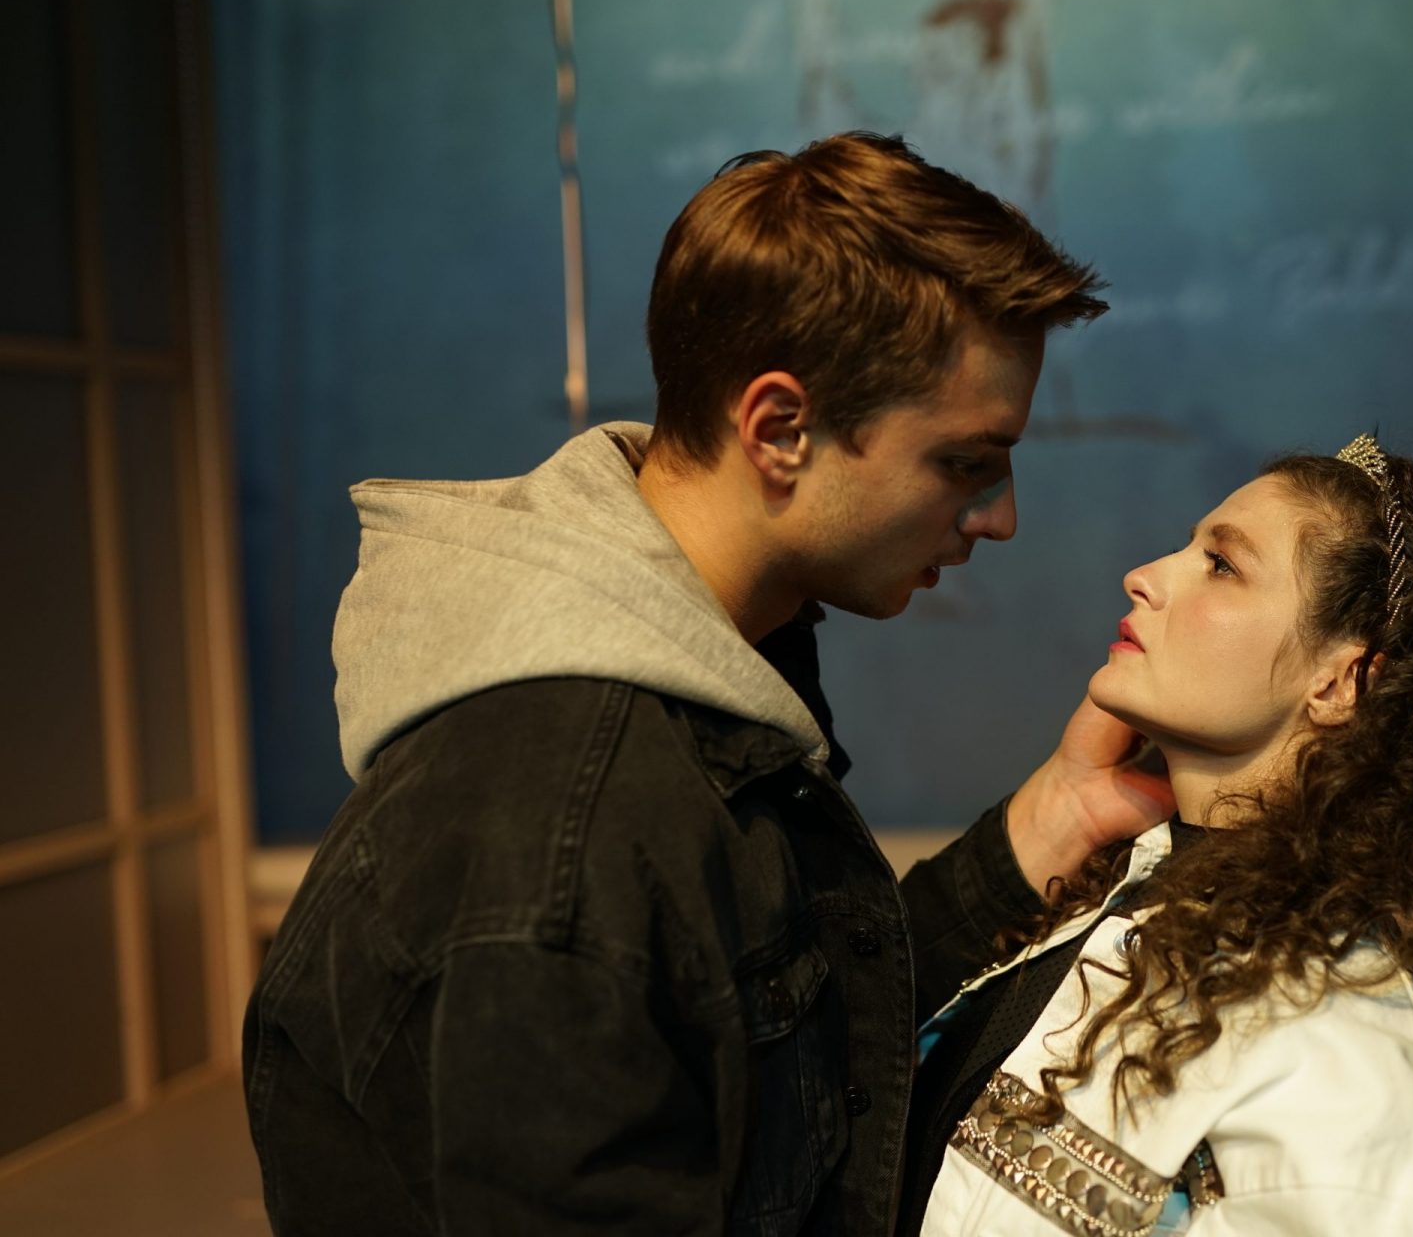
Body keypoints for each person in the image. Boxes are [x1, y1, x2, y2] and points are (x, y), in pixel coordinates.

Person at [241, 132, 1174, 1236]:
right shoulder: (558, 838)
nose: (999, 517)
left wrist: (1054, 819)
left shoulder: (712, 661)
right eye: (964, 461)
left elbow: (795, 1040)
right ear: (780, 430)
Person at [902, 436, 1413, 1235]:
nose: (1144, 575)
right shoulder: (1132, 881)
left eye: (1221, 565)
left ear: (1340, 681)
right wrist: (1063, 808)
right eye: (1189, 547)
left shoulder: (1340, 1064)